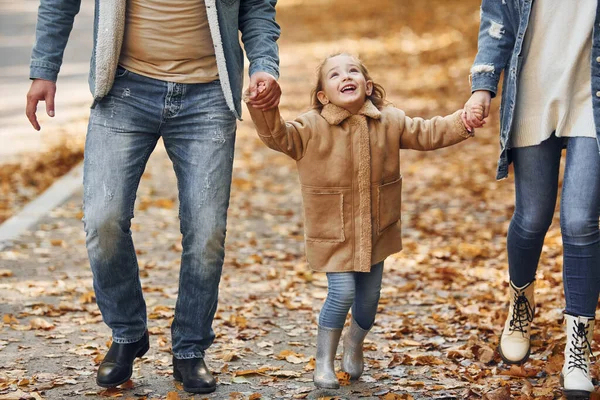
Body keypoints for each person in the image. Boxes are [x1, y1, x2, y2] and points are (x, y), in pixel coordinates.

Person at [25, 0, 281, 394]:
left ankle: (190, 349)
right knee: (103, 219)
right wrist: (44, 69)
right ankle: (128, 335)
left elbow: (258, 8)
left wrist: (264, 65)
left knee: (206, 230)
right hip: (125, 88)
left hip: (209, 95)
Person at [245, 53, 474, 389]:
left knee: (368, 303)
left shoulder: (390, 120)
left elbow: (427, 132)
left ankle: (354, 343)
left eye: (353, 71)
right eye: (334, 74)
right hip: (334, 230)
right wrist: (263, 106)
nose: (345, 76)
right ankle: (323, 361)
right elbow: (278, 136)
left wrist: (462, 121)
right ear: (323, 95)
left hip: (376, 228)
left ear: (367, 86)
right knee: (342, 293)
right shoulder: (310, 127)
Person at [463, 1, 600, 398]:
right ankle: (521, 301)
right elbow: (497, 20)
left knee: (580, 221)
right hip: (534, 90)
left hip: (590, 95)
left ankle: (578, 347)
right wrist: (483, 87)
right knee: (532, 217)